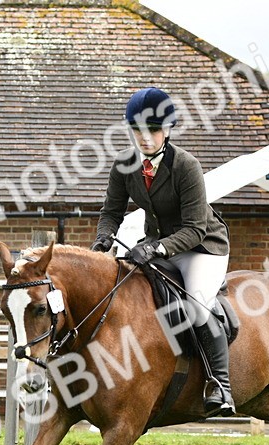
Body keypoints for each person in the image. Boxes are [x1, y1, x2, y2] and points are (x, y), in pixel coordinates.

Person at [93, 87, 235, 416]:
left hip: (202, 247)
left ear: (167, 130)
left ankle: (220, 385)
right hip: (159, 245)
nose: (145, 138)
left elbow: (196, 228)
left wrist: (155, 247)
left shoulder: (186, 165)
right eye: (138, 131)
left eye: (153, 130)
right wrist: (103, 239)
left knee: (198, 307)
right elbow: (110, 213)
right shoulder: (125, 164)